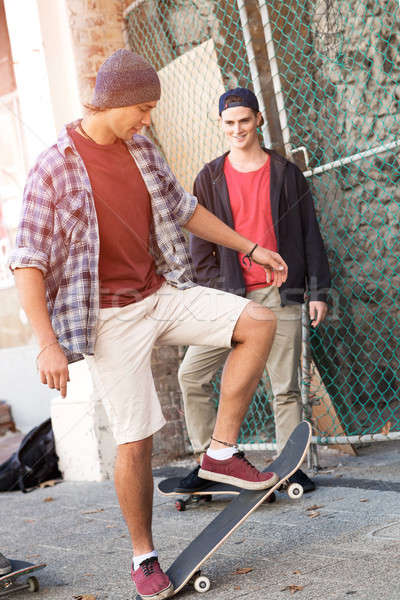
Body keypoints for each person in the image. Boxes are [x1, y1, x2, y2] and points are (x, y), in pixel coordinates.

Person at [9, 51, 289, 600]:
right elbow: (27, 262)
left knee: (257, 321)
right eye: (142, 108)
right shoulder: (54, 168)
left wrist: (252, 246)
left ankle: (220, 452)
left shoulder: (140, 147)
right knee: (136, 440)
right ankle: (144, 557)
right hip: (109, 317)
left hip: (161, 292)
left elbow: (185, 210)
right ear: (110, 102)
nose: (148, 120)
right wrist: (46, 343)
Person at [177, 87, 331, 495]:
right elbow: (200, 246)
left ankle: (289, 468)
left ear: (258, 120)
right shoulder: (209, 177)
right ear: (221, 125)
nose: (237, 129)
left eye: (244, 121)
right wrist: (214, 292)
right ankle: (208, 464)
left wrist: (318, 290)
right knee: (191, 375)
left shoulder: (285, 173)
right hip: (229, 299)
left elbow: (309, 233)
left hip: (280, 293)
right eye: (229, 123)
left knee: (285, 386)